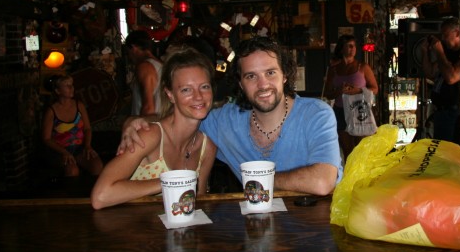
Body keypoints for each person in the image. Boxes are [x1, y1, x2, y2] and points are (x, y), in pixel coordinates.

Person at [119, 36, 342, 196]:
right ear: (240, 84)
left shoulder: (316, 114)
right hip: (258, 233)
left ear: (285, 76)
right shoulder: (225, 121)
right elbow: (181, 119)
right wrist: (133, 122)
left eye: (270, 73)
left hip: (318, 225)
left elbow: (323, 182)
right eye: (251, 76)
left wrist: (258, 181)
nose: (263, 84)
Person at [91, 48, 217, 210]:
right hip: (130, 230)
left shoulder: (207, 148)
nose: (198, 96)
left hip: (173, 233)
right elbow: (101, 196)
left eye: (204, 87)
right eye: (186, 89)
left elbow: (199, 202)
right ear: (170, 95)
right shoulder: (150, 136)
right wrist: (170, 182)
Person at [323, 34, 379, 160]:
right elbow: (327, 93)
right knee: (347, 151)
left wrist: (358, 90)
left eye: (354, 46)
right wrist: (338, 91)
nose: (353, 49)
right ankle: (350, 177)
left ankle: (363, 177)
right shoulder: (334, 69)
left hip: (359, 110)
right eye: (349, 46)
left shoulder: (363, 67)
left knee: (361, 150)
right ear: (341, 48)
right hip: (340, 111)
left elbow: (375, 89)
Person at [41, 74, 104, 178]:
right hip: (60, 150)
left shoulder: (79, 105)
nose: (71, 88)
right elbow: (46, 139)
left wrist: (87, 146)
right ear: (58, 91)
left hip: (79, 147)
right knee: (72, 171)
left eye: (72, 85)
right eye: (67, 86)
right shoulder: (51, 111)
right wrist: (64, 152)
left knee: (97, 166)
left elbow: (87, 128)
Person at [421, 17, 460, 144]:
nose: (443, 39)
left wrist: (439, 52)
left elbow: (451, 78)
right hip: (440, 109)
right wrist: (425, 52)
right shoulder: (446, 52)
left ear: (457, 33)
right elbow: (431, 73)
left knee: (446, 149)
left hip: (452, 110)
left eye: (446, 35)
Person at [124, 30, 163, 116]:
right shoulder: (160, 65)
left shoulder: (144, 67)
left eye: (128, 52)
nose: (129, 57)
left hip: (149, 125)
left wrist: (141, 127)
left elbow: (148, 107)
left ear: (133, 48)